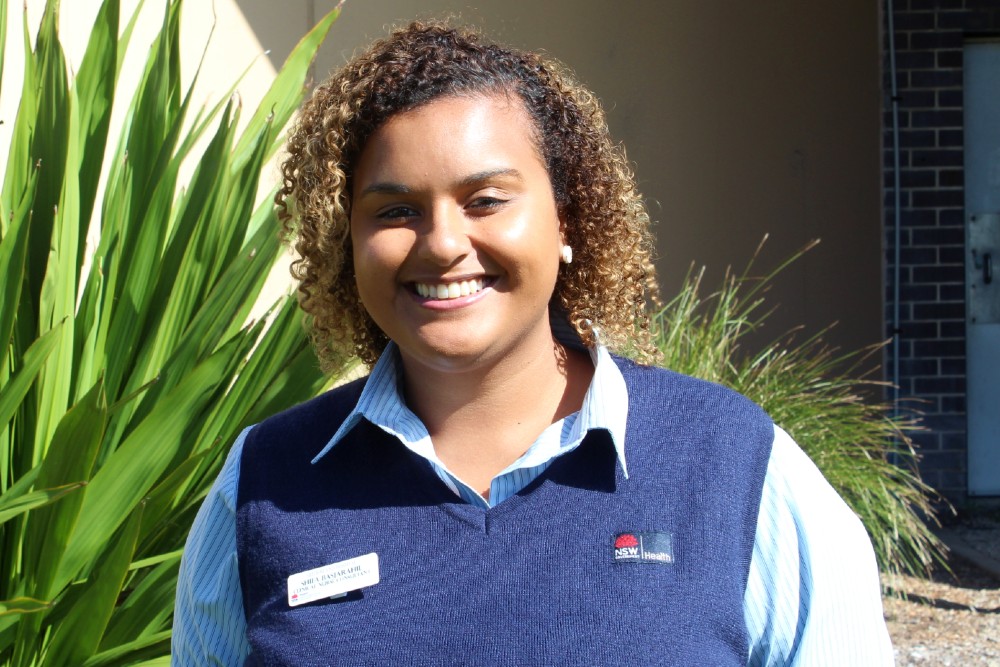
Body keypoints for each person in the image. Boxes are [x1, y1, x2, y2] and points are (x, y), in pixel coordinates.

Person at [172, 21, 894, 666]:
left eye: (485, 200)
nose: (444, 242)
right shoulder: (264, 486)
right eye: (396, 210)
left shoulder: (734, 467)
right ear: (346, 242)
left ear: (567, 220)